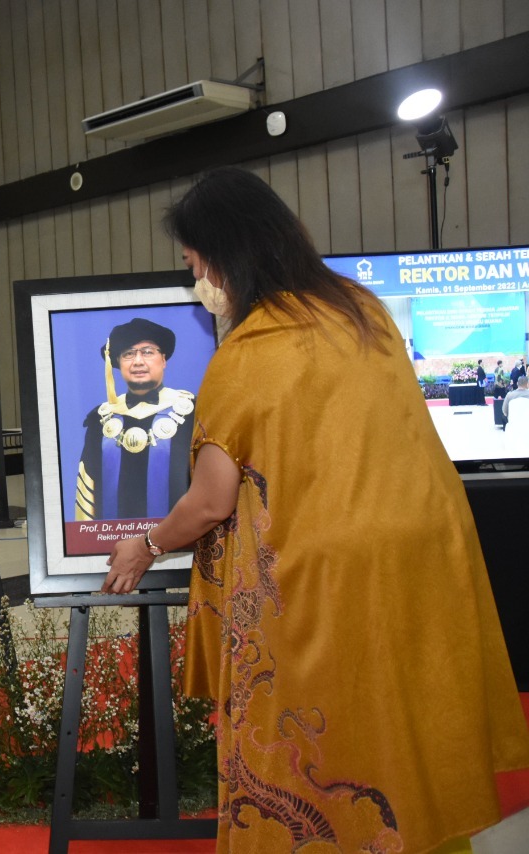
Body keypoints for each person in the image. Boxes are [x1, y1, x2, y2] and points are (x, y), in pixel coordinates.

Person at [104, 166, 529, 853]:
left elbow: (211, 501)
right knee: (408, 718)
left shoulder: (247, 354)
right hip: (424, 550)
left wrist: (147, 546)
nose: (196, 280)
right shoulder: (361, 309)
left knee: (315, 736)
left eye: (193, 263)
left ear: (224, 255)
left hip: (324, 571)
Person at [74, 318, 195, 520]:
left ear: (163, 360)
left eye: (147, 352)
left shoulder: (191, 413)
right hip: (112, 535)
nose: (138, 361)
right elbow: (87, 491)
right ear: (118, 363)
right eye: (128, 354)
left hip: (180, 535)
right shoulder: (100, 420)